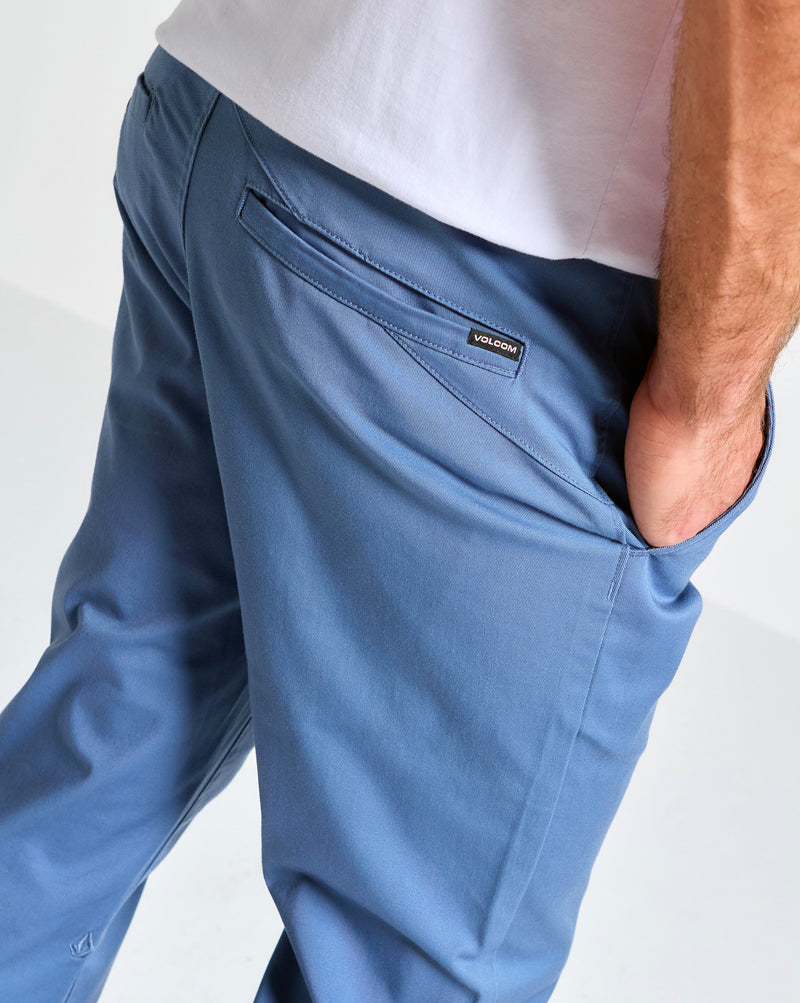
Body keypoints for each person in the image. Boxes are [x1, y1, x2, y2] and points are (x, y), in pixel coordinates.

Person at [0, 1, 797, 1000]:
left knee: (111, 728)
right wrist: (709, 403)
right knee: (406, 961)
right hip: (472, 270)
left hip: (232, 96)